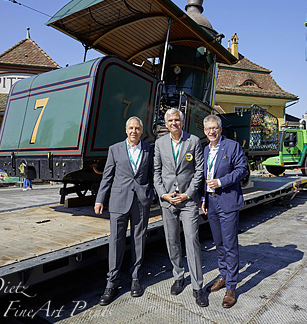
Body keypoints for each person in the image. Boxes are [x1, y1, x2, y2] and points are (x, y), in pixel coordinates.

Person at [95, 116, 154, 306]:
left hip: (141, 202)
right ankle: (111, 283)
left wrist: (150, 195)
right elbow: (107, 177)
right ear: (126, 130)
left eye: (137, 128)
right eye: (131, 128)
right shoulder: (115, 149)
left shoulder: (148, 149)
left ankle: (135, 278)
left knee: (139, 240)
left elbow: (153, 175)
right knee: (116, 242)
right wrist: (100, 200)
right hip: (119, 201)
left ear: (142, 131)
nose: (134, 131)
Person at [153, 108, 207, 307]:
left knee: (192, 239)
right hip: (168, 200)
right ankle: (178, 275)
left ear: (182, 122)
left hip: (188, 201)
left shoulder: (193, 141)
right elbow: (156, 172)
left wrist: (188, 194)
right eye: (170, 121)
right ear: (166, 124)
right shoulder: (159, 143)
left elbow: (199, 170)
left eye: (177, 120)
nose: (173, 123)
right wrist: (163, 194)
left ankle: (197, 286)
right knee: (171, 240)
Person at [201, 114, 248, 308]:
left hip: (227, 202)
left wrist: (221, 182)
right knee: (219, 244)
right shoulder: (205, 150)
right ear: (205, 132)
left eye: (215, 128)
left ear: (220, 129)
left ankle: (231, 287)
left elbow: (242, 169)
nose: (212, 131)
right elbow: (204, 175)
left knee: (230, 245)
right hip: (211, 203)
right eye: (208, 129)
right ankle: (223, 275)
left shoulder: (232, 146)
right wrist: (203, 197)